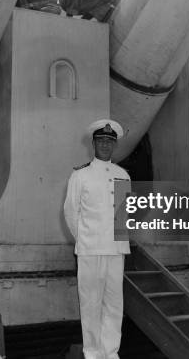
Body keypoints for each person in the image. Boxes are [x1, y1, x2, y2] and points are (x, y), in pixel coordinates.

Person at [64, 119, 131, 359]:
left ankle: (110, 353)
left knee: (114, 305)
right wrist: (85, 239)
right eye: (101, 140)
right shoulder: (80, 176)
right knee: (91, 304)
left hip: (116, 250)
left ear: (114, 145)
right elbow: (71, 213)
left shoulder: (123, 175)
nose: (105, 145)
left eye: (109, 141)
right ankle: (92, 353)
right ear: (93, 143)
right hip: (90, 249)